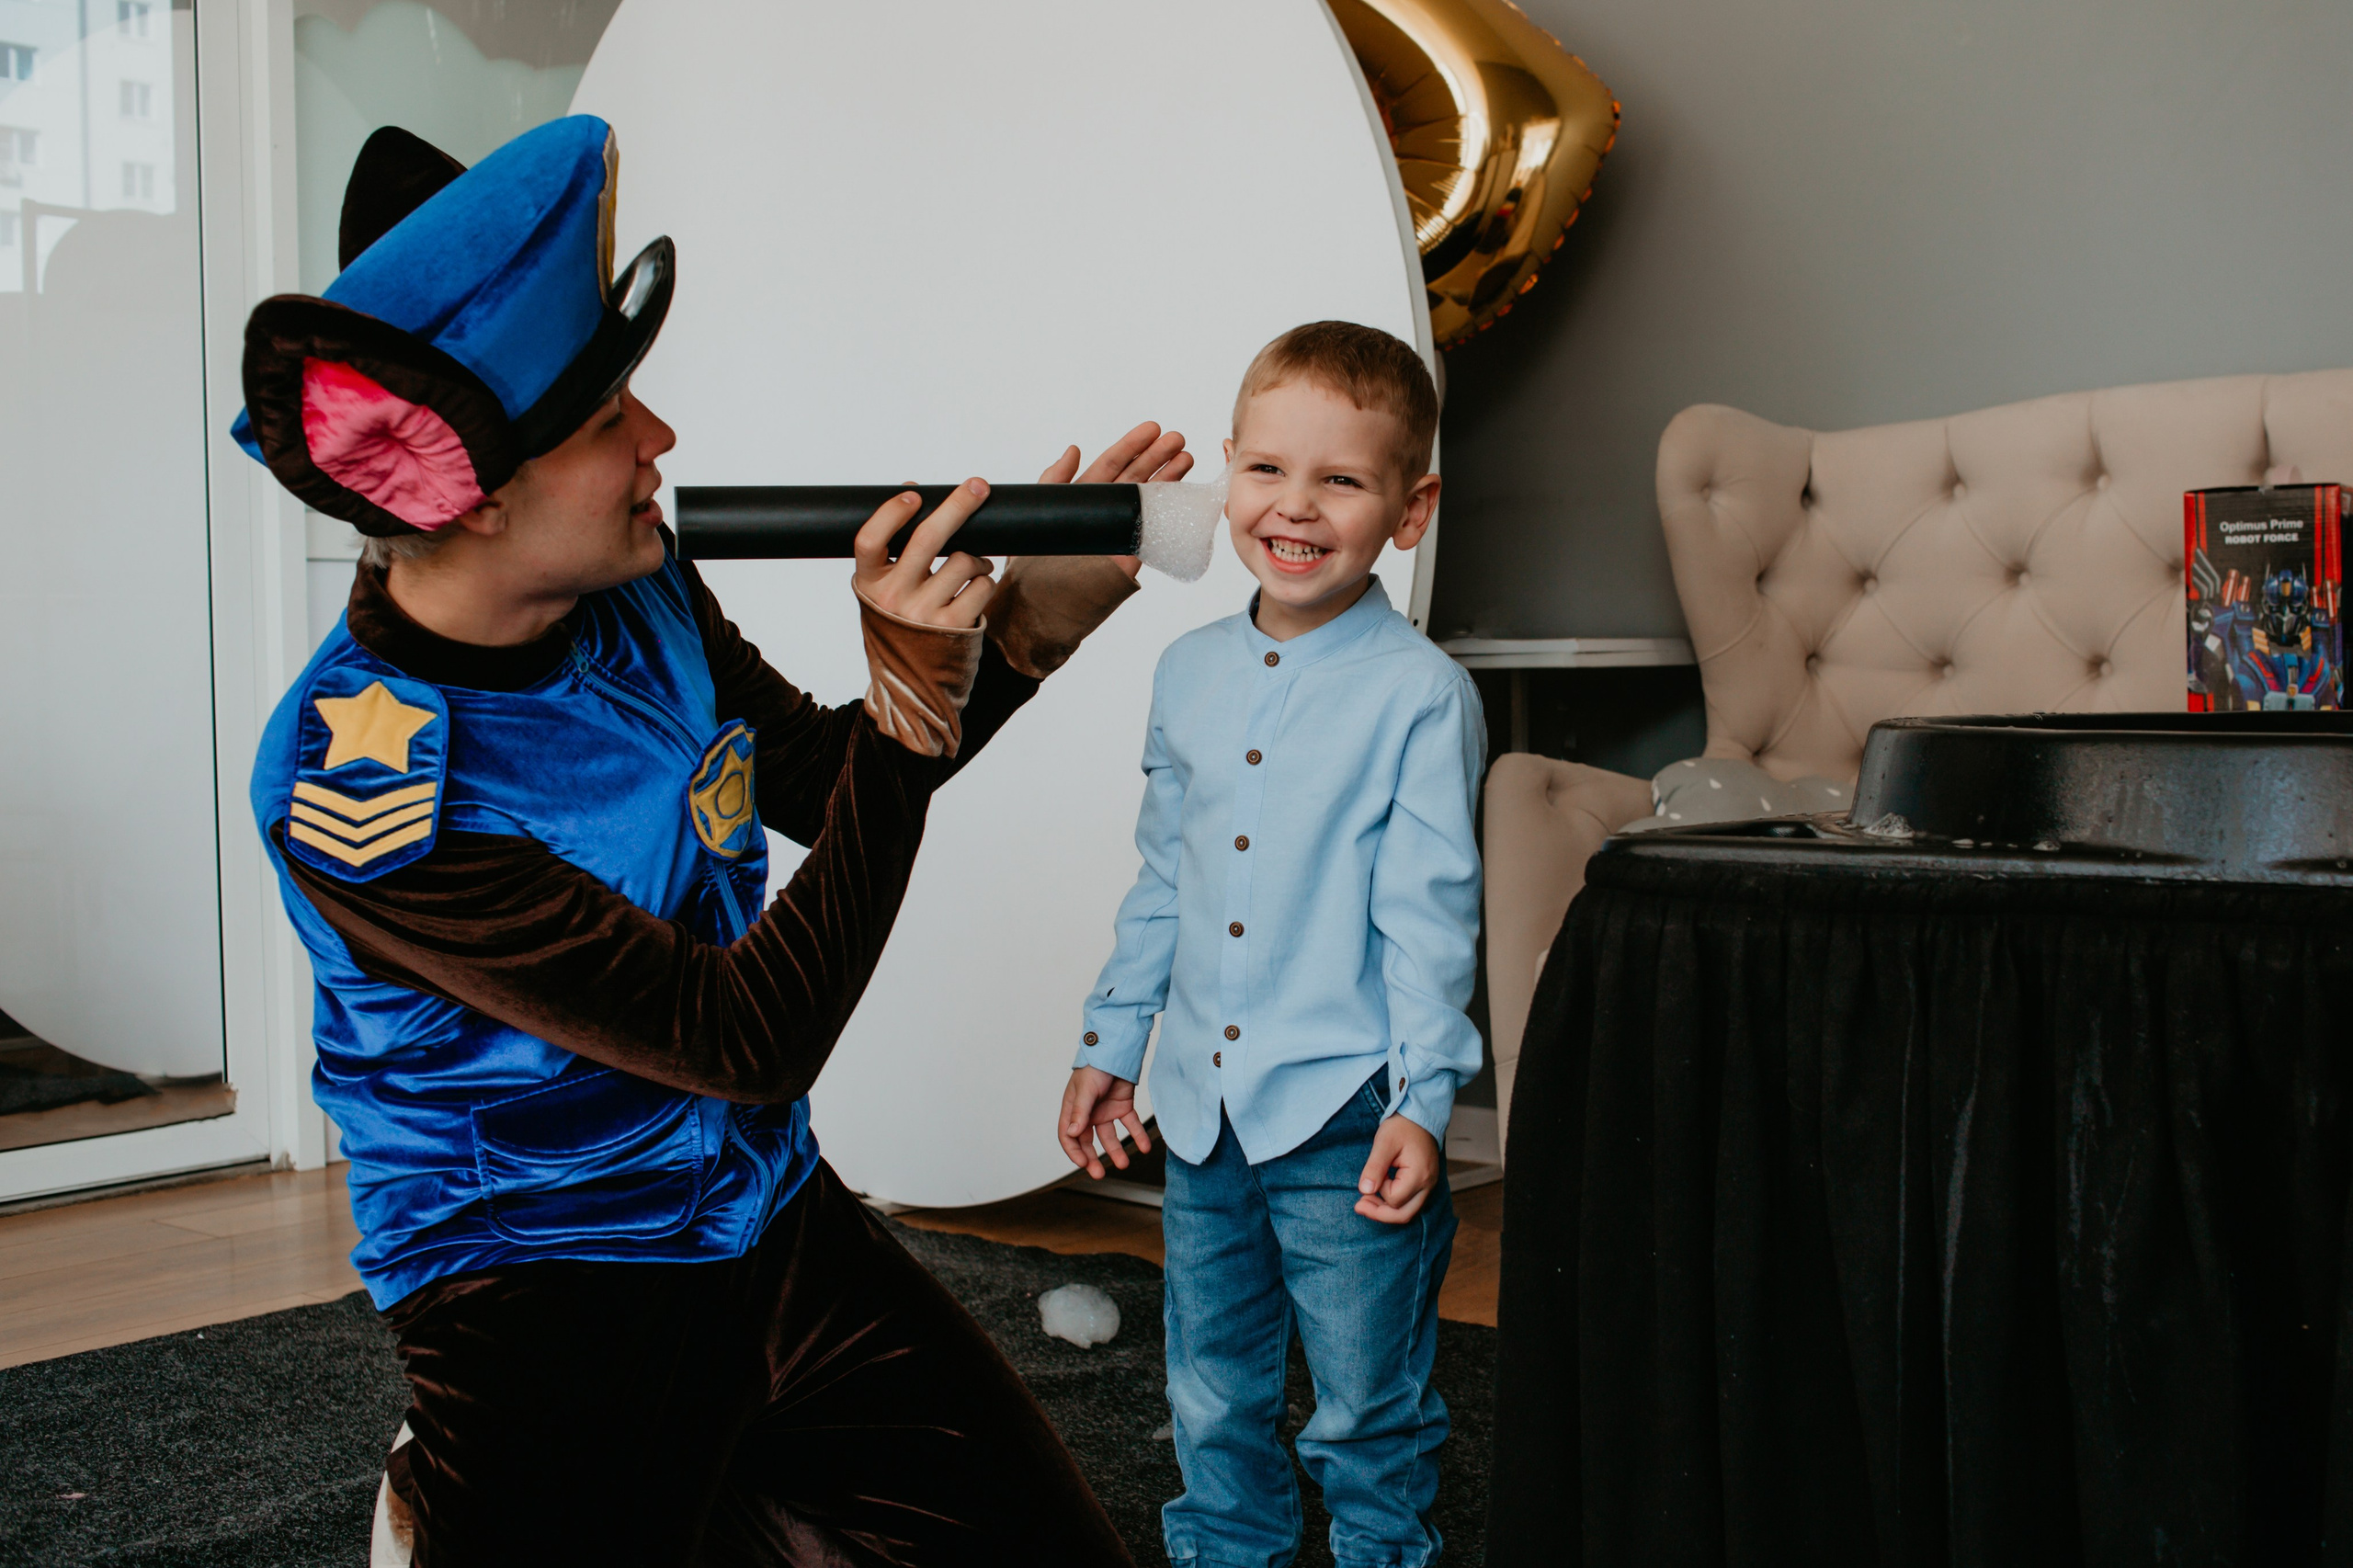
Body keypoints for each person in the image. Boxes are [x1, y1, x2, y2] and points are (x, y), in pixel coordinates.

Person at [237, 115, 1188, 1565]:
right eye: (613, 419)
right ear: (475, 493)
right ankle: (441, 1487)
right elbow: (747, 1029)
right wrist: (914, 713)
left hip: (764, 1213)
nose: (661, 441)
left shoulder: (640, 591)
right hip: (544, 1275)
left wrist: (1022, 634)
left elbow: (825, 774)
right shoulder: (360, 782)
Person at [1058, 321, 1485, 1567]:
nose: (1295, 508)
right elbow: (1162, 883)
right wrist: (1111, 1040)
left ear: (1411, 509)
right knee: (1211, 1384)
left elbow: (1428, 917)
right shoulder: (1187, 674)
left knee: (1365, 1403)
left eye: (1342, 481)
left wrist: (1424, 1098)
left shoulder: (1419, 695)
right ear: (1227, 472)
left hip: (1345, 1110)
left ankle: (1380, 1553)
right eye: (1269, 472)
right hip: (1201, 1111)